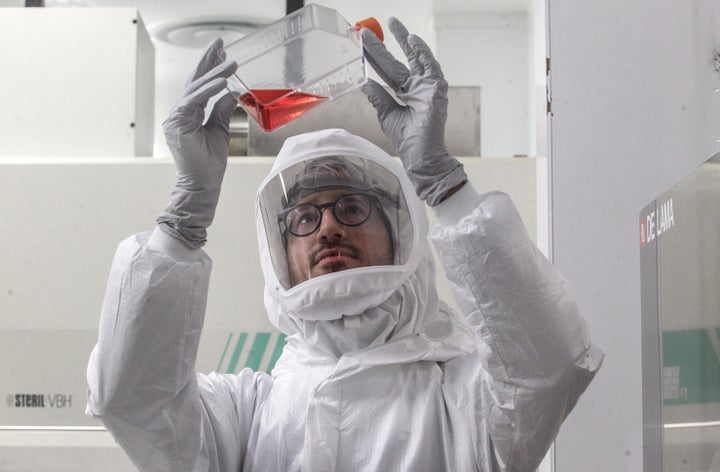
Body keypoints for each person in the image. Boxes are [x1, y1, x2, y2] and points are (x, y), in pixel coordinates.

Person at [86, 17, 603, 472]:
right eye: (304, 218)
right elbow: (130, 400)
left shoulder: (462, 400)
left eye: (352, 209)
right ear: (280, 256)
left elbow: (549, 364)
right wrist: (184, 216)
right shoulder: (248, 413)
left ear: (400, 233)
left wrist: (444, 184)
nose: (328, 228)